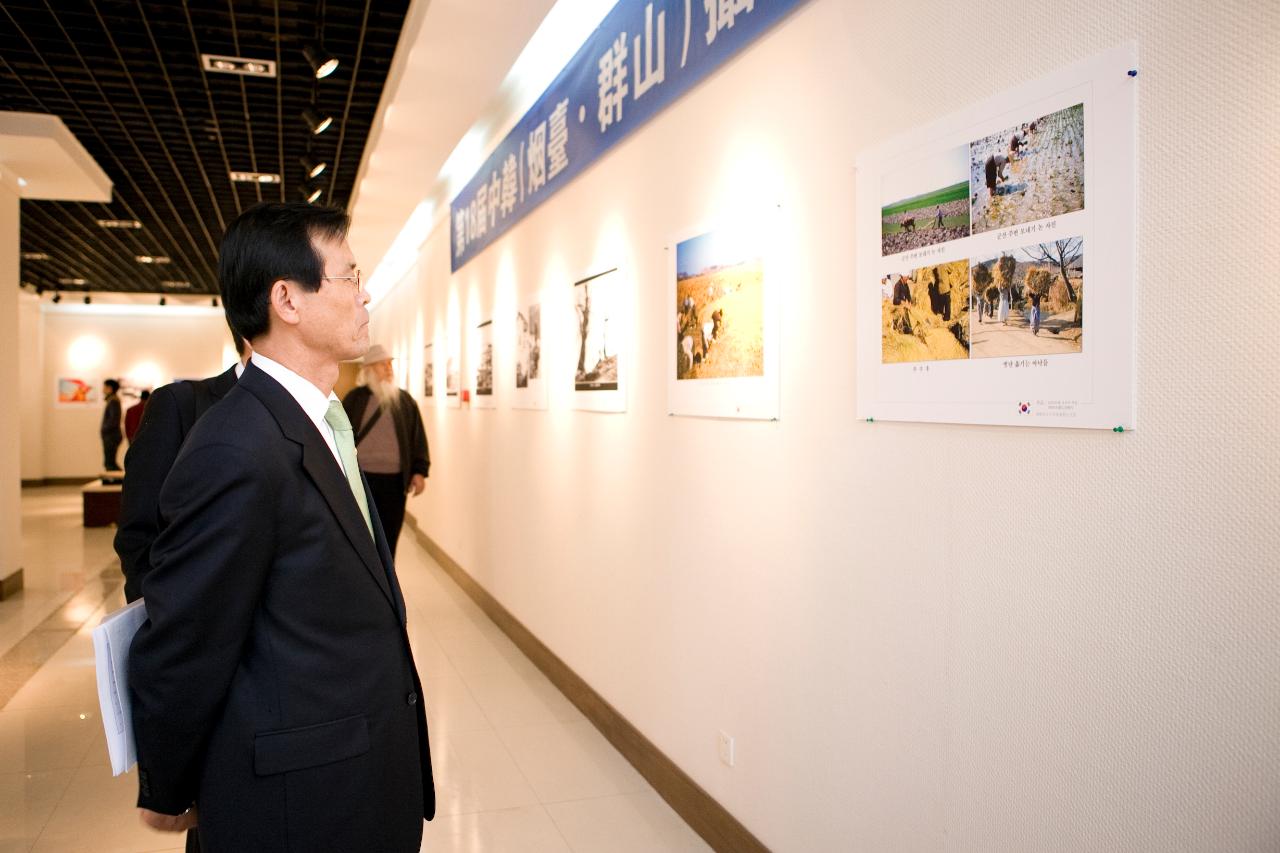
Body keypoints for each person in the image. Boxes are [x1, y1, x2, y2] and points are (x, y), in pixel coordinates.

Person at [129, 202, 434, 852]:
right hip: (301, 808)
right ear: (287, 299)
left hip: (355, 780)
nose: (365, 292)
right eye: (349, 276)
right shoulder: (236, 446)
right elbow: (186, 635)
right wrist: (166, 783)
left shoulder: (318, 422)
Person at [115, 332, 249, 604]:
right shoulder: (182, 404)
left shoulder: (319, 413)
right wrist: (157, 617)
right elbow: (139, 529)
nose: (361, 297)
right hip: (199, 619)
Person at [341, 345, 429, 558]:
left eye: (390, 364)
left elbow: (417, 438)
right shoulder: (354, 399)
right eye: (383, 364)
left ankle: (387, 585)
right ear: (369, 369)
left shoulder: (405, 401)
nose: (389, 369)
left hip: (394, 482)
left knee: (389, 537)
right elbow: (341, 436)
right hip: (360, 481)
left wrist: (419, 471)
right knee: (362, 537)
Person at [100, 379, 124, 470]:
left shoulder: (113, 401)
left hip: (111, 436)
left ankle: (115, 481)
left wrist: (104, 429)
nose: (103, 389)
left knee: (109, 463)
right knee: (110, 462)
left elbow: (113, 420)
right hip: (111, 435)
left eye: (104, 387)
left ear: (109, 388)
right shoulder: (112, 400)